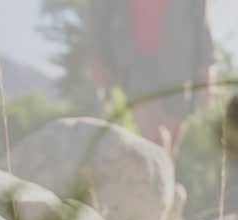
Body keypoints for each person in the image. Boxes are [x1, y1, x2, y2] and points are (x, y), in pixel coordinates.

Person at [86, 0, 215, 154]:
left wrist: (205, 73)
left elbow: (201, 22)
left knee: (170, 142)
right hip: (134, 59)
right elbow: (98, 11)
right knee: (153, 137)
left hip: (179, 63)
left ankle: (164, 170)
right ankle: (158, 167)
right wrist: (98, 59)